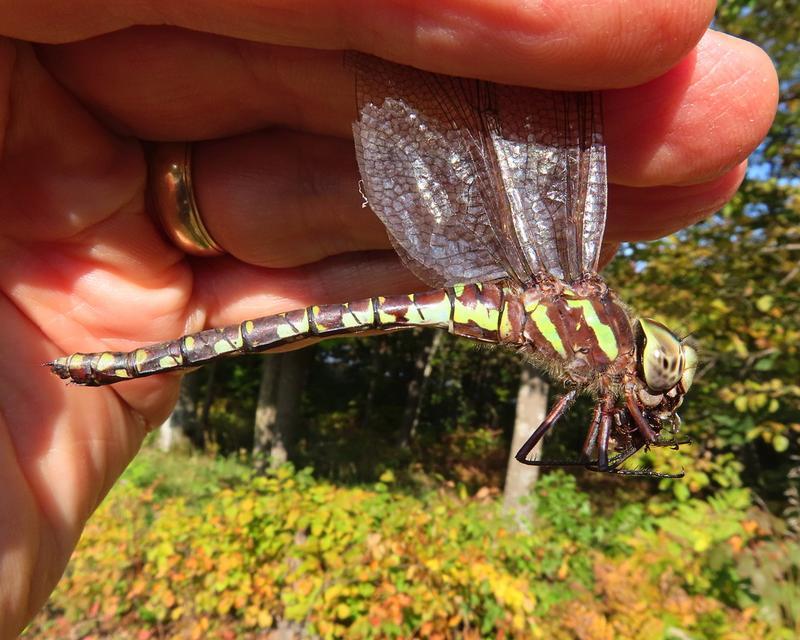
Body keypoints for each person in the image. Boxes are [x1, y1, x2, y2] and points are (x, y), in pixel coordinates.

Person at [0, 1, 777, 635]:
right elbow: (562, 448)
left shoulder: (594, 353)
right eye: (659, 369)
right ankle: (109, 364)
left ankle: (105, 365)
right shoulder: (584, 315)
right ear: (627, 345)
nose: (654, 384)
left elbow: (567, 448)